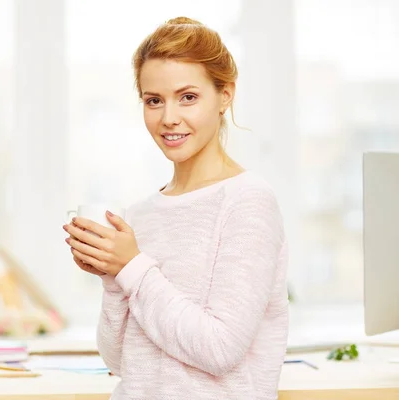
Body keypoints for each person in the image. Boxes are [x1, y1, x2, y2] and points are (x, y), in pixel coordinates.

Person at [63, 16, 288, 400]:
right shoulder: (138, 215)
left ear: (225, 95)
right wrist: (112, 277)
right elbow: (120, 360)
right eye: (154, 100)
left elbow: (220, 349)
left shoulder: (248, 202)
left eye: (188, 97)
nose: (168, 118)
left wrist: (131, 267)